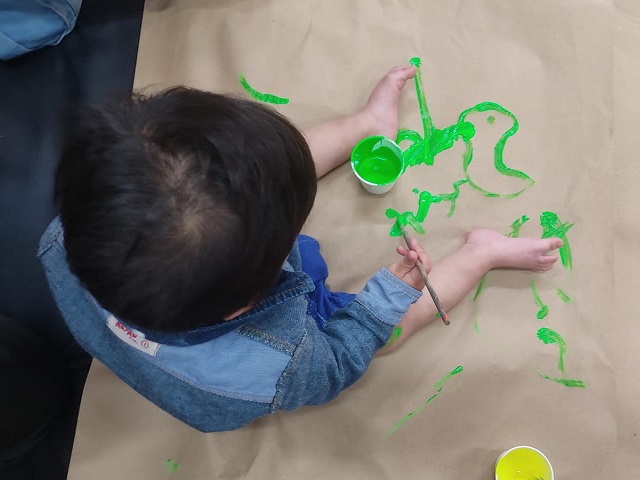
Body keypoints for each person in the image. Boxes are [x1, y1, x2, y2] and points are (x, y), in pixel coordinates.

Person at [38, 64, 562, 432]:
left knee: (236, 181)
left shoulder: (72, 234)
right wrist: (380, 305)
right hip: (254, 346)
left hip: (169, 308)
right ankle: (481, 252)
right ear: (252, 297)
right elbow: (340, 359)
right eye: (291, 215)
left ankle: (368, 127)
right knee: (386, 331)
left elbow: (230, 183)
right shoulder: (282, 357)